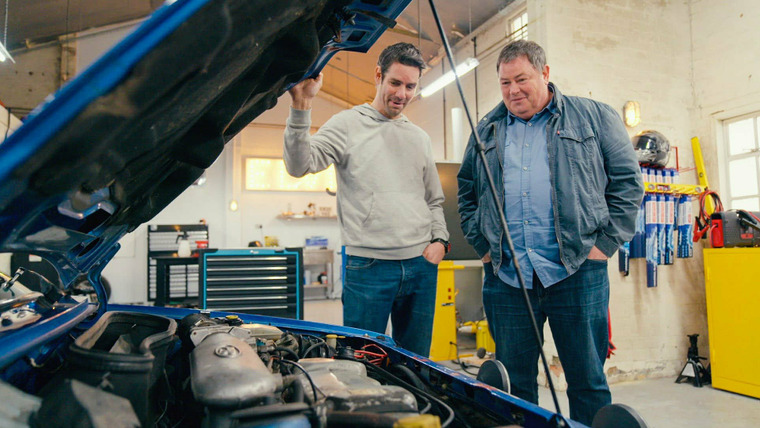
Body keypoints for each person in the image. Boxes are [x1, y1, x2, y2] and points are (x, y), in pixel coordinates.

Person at [457, 40, 643, 424]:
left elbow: (627, 184)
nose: (513, 91)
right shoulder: (487, 128)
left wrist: (604, 246)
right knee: (514, 383)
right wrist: (485, 247)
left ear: (545, 73)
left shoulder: (593, 117)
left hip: (577, 271)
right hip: (508, 277)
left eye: (521, 79)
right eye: (505, 83)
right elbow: (467, 191)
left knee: (587, 381)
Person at [283, 43, 449, 357]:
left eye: (410, 86)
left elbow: (433, 199)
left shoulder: (419, 138)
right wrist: (302, 105)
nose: (402, 94)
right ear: (378, 76)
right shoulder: (346, 125)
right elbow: (299, 165)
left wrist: (440, 240)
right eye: (395, 83)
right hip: (369, 268)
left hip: (421, 266)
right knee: (361, 362)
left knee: (417, 366)